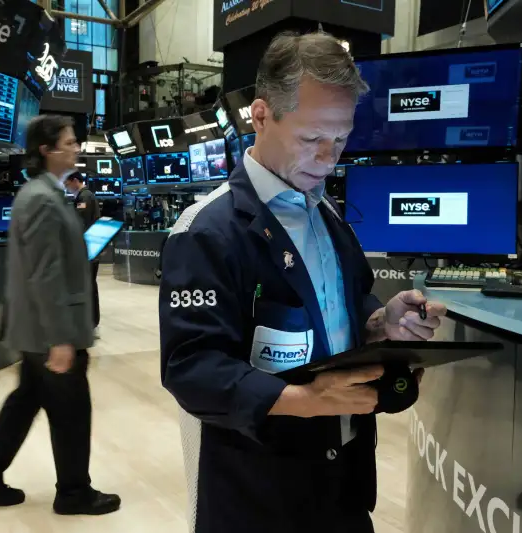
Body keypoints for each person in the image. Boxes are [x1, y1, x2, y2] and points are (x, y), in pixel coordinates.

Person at [158, 32, 448, 533]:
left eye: (340, 139)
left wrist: (383, 324)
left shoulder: (328, 215)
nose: (328, 156)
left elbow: (350, 310)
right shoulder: (207, 232)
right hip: (259, 492)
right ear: (262, 116)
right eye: (312, 138)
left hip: (345, 485)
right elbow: (191, 367)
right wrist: (305, 401)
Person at [0, 115, 121, 516]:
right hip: (48, 330)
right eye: (69, 143)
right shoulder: (42, 200)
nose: (77, 148)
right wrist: (61, 338)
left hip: (36, 329)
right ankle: (73, 492)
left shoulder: (43, 194)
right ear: (47, 151)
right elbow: (46, 276)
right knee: (71, 412)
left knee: (25, 401)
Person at [64, 172, 102, 331]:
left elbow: (80, 223)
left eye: (67, 184)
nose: (67, 187)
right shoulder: (85, 196)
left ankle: (91, 323)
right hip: (89, 250)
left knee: (89, 287)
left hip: (88, 251)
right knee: (89, 286)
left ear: (75, 181)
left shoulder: (85, 197)